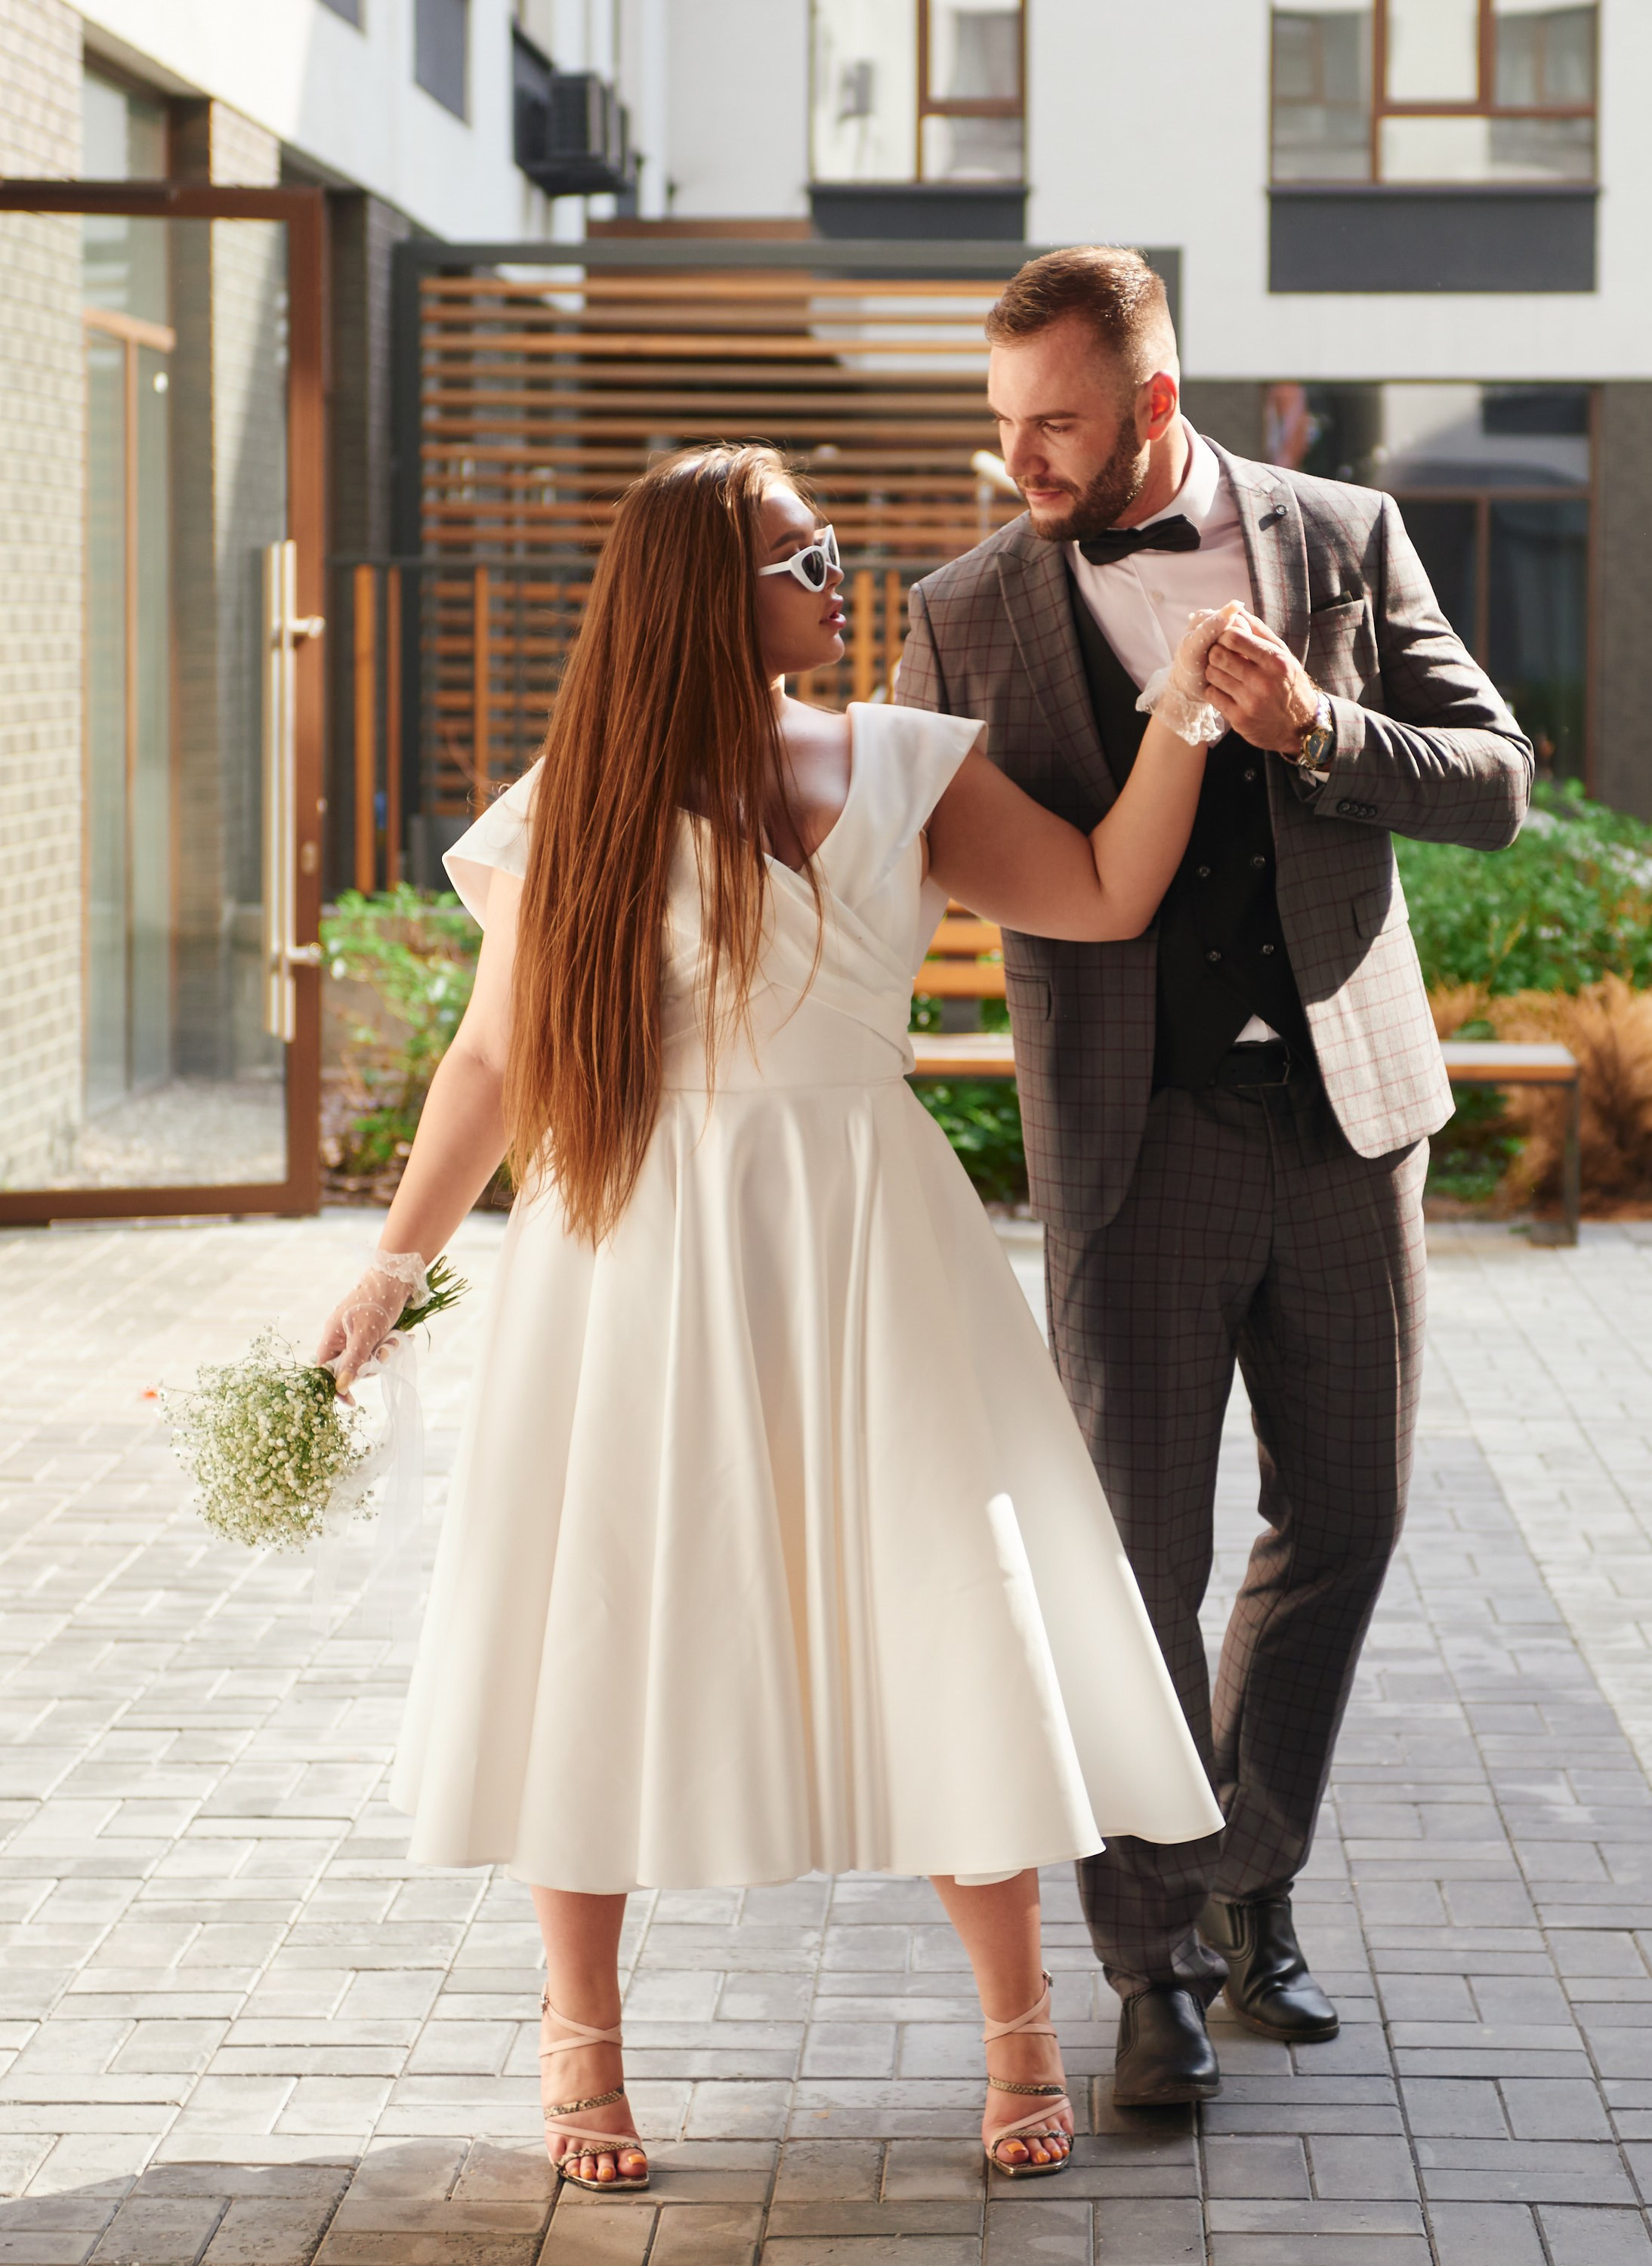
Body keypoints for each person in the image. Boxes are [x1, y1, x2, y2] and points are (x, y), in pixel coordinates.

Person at [314, 443, 1228, 2195]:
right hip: (638, 1257)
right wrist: (388, 1268)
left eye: (831, 552)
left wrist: (1184, 704)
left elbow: (1108, 893)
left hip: (874, 1243)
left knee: (951, 1611)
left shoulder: (905, 762)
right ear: (703, 598)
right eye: (807, 559)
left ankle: (1021, 2029)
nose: (840, 582)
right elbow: (497, 1061)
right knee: (600, 1620)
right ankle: (581, 2047)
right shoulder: (567, 806)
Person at [895, 247, 1533, 2107]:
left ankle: (1251, 1877)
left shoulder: (1342, 538)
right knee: (1131, 1561)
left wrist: (1316, 733)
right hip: (1135, 1137)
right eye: (1003, 422)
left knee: (1345, 1517)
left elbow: (1495, 780)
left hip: (1347, 1120)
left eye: (1058, 423)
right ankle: (1152, 1962)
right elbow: (895, 847)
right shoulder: (965, 611)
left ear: (1156, 404)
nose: (1022, 457)